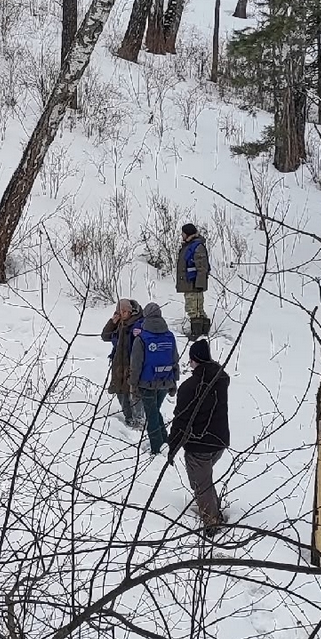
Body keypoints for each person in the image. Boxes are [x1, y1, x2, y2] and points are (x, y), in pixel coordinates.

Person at [169, 339, 230, 532]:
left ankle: (212, 523)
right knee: (204, 480)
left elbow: (181, 419)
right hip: (219, 440)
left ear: (194, 360)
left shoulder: (190, 387)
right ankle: (214, 511)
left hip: (199, 443)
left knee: (200, 484)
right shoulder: (220, 380)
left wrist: (173, 446)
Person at [128, 302, 179, 455]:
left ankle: (157, 448)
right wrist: (174, 381)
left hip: (147, 383)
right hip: (166, 380)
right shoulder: (170, 337)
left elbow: (136, 365)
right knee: (155, 411)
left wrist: (133, 384)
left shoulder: (142, 338)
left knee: (152, 415)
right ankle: (165, 442)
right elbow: (174, 359)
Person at [101, 298, 145, 427]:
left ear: (131, 311)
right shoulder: (118, 324)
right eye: (120, 311)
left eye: (125, 311)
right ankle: (128, 417)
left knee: (134, 392)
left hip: (132, 363)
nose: (123, 314)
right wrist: (112, 323)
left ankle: (139, 419)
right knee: (120, 391)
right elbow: (105, 336)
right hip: (118, 363)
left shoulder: (138, 323)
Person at [176, 223, 211, 338]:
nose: (182, 235)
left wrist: (199, 284)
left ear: (188, 234)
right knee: (196, 308)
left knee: (194, 309)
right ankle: (202, 333)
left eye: (183, 233)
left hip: (193, 284)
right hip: (190, 283)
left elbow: (202, 267)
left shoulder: (196, 247)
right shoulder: (190, 246)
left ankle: (197, 334)